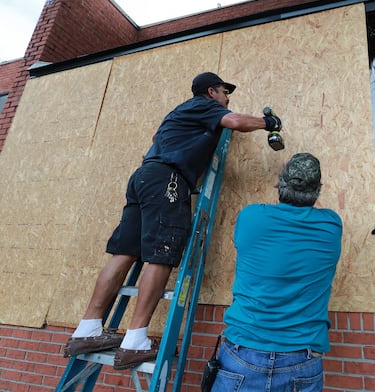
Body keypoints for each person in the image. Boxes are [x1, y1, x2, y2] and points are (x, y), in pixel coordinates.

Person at [63, 72, 283, 370]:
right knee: (162, 254)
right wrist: (268, 123)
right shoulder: (205, 106)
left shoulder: (178, 113)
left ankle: (87, 330)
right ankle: (135, 340)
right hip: (167, 179)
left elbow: (156, 138)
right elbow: (235, 122)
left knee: (124, 253)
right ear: (210, 92)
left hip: (143, 176)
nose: (227, 98)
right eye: (224, 92)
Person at [211, 152, 343, 392]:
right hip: (302, 360)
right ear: (317, 190)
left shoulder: (251, 216)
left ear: (280, 184)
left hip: (243, 353)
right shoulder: (331, 225)